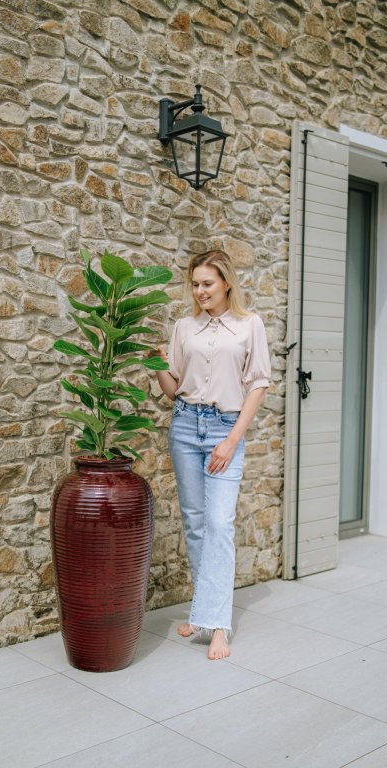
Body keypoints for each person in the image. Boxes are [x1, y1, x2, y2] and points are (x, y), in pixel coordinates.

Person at [150, 249, 271, 660]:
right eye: (195, 285)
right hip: (185, 425)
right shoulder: (184, 327)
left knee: (219, 524)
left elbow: (258, 385)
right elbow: (174, 389)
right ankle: (202, 613)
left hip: (225, 428)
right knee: (196, 522)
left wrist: (232, 440)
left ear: (226, 282)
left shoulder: (249, 325)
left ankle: (218, 625)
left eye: (207, 283)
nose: (200, 291)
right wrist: (158, 365)